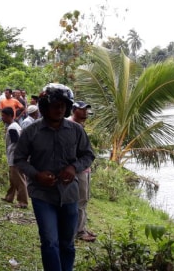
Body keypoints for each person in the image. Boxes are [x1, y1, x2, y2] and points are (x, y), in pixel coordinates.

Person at [14, 83, 95, 271]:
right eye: (55, 105)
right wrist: (36, 174)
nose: (59, 109)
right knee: (50, 241)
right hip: (42, 194)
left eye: (63, 106)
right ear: (45, 107)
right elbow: (19, 158)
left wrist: (74, 168)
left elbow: (88, 155)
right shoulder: (31, 132)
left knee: (67, 243)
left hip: (69, 194)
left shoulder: (76, 131)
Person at [69, 101, 96, 242]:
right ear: (74, 110)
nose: (85, 113)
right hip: (78, 169)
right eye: (82, 110)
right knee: (80, 200)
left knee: (83, 199)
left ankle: (81, 227)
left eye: (86, 110)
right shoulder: (71, 126)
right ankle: (79, 231)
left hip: (83, 168)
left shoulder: (78, 125)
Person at [0, 107, 28, 208]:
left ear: (9, 116)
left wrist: (17, 157)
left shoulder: (12, 128)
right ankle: (9, 196)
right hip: (14, 156)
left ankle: (23, 201)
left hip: (15, 156)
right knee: (13, 178)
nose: (2, 118)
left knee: (18, 179)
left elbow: (17, 142)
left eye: (3, 116)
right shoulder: (14, 125)